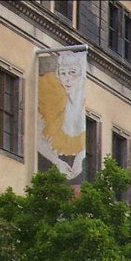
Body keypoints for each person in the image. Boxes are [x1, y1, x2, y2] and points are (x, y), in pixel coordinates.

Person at [38, 49, 87, 180]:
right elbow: (39, 139)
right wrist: (57, 161)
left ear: (81, 75)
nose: (67, 79)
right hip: (53, 167)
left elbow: (82, 142)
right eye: (63, 73)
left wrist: (79, 158)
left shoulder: (81, 103)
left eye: (72, 73)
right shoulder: (51, 95)